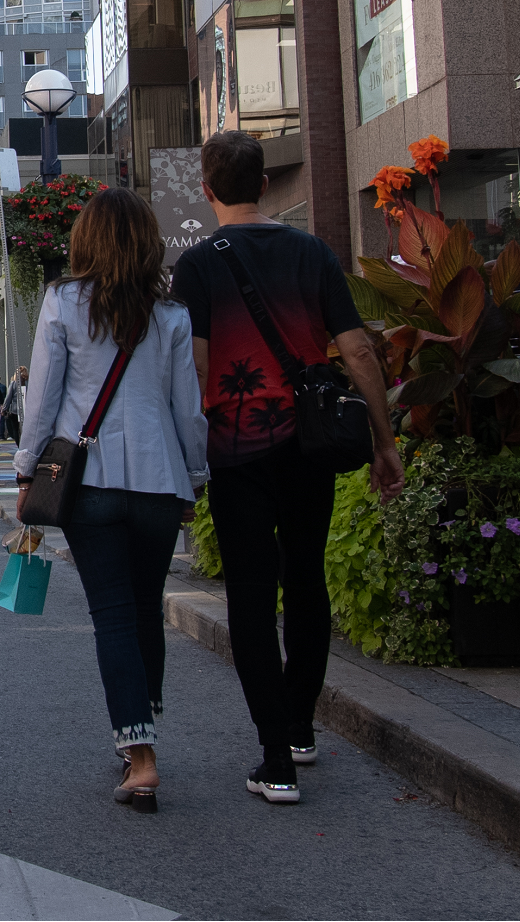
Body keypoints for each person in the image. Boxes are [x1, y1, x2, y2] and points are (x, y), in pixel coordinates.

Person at [170, 131, 403, 804]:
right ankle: (300, 724)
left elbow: (198, 368)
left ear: (207, 190)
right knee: (306, 577)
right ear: (265, 183)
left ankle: (274, 757)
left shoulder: (197, 266)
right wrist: (383, 441)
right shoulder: (311, 253)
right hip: (308, 446)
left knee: (248, 592)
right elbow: (357, 350)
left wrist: (189, 459)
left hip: (237, 451)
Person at [15, 188, 208, 814]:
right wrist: (195, 478)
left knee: (114, 616)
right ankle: (139, 731)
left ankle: (141, 754)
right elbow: (189, 410)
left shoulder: (64, 303)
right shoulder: (171, 315)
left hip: (90, 481)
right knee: (143, 609)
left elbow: (43, 399)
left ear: (86, 242)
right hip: (158, 482)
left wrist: (26, 470)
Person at [4, 367, 27, 444]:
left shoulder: (13, 384)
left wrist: (4, 408)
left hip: (15, 410)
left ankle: (19, 446)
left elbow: (8, 397)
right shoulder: (29, 383)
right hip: (27, 410)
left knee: (15, 429)